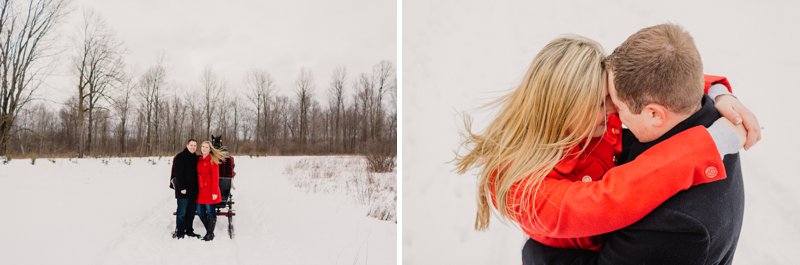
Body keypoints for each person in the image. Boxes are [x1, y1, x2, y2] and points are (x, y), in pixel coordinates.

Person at [455, 35, 759, 255]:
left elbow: (656, 87)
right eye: (604, 102)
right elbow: (609, 200)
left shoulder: (592, 118)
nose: (615, 110)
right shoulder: (524, 189)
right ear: (563, 106)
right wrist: (709, 144)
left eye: (611, 98)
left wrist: (719, 92)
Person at [196, 140, 227, 241]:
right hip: (200, 189)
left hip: (209, 190)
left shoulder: (213, 160)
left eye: (206, 147)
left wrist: (214, 192)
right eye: (203, 147)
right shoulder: (199, 159)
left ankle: (209, 234)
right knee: (200, 212)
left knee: (210, 212)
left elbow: (215, 177)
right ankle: (210, 231)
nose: (204, 149)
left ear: (210, 149)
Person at [170, 139, 202, 239]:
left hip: (193, 191)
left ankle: (189, 230)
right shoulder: (180, 157)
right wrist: (182, 188)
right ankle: (180, 232)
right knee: (181, 212)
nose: (193, 147)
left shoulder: (195, 158)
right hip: (183, 190)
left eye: (195, 145)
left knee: (191, 213)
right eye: (191, 145)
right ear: (187, 145)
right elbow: (178, 175)